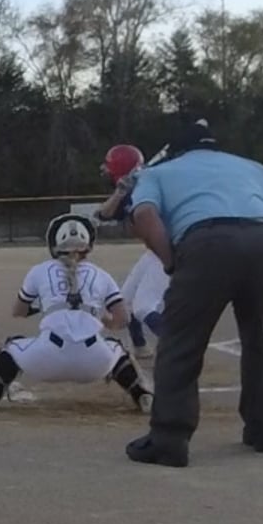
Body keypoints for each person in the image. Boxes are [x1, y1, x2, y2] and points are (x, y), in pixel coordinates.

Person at [123, 118, 263, 468]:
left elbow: (144, 215)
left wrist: (171, 261)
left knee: (180, 341)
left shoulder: (159, 172)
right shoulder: (251, 167)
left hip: (206, 241)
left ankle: (169, 440)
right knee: (257, 334)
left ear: (177, 150)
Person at [0, 213, 151, 413]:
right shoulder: (101, 274)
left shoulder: (39, 270)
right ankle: (142, 394)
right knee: (116, 348)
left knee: (11, 346)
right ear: (88, 244)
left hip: (46, 359)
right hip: (94, 363)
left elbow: (18, 311)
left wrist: (48, 307)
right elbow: (123, 319)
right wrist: (100, 317)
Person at [96, 143, 167, 363]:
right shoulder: (129, 189)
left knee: (143, 306)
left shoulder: (151, 187)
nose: (105, 170)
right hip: (154, 251)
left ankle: (179, 346)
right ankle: (141, 347)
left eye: (110, 166)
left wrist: (133, 189)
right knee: (123, 302)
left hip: (168, 251)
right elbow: (103, 214)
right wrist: (120, 192)